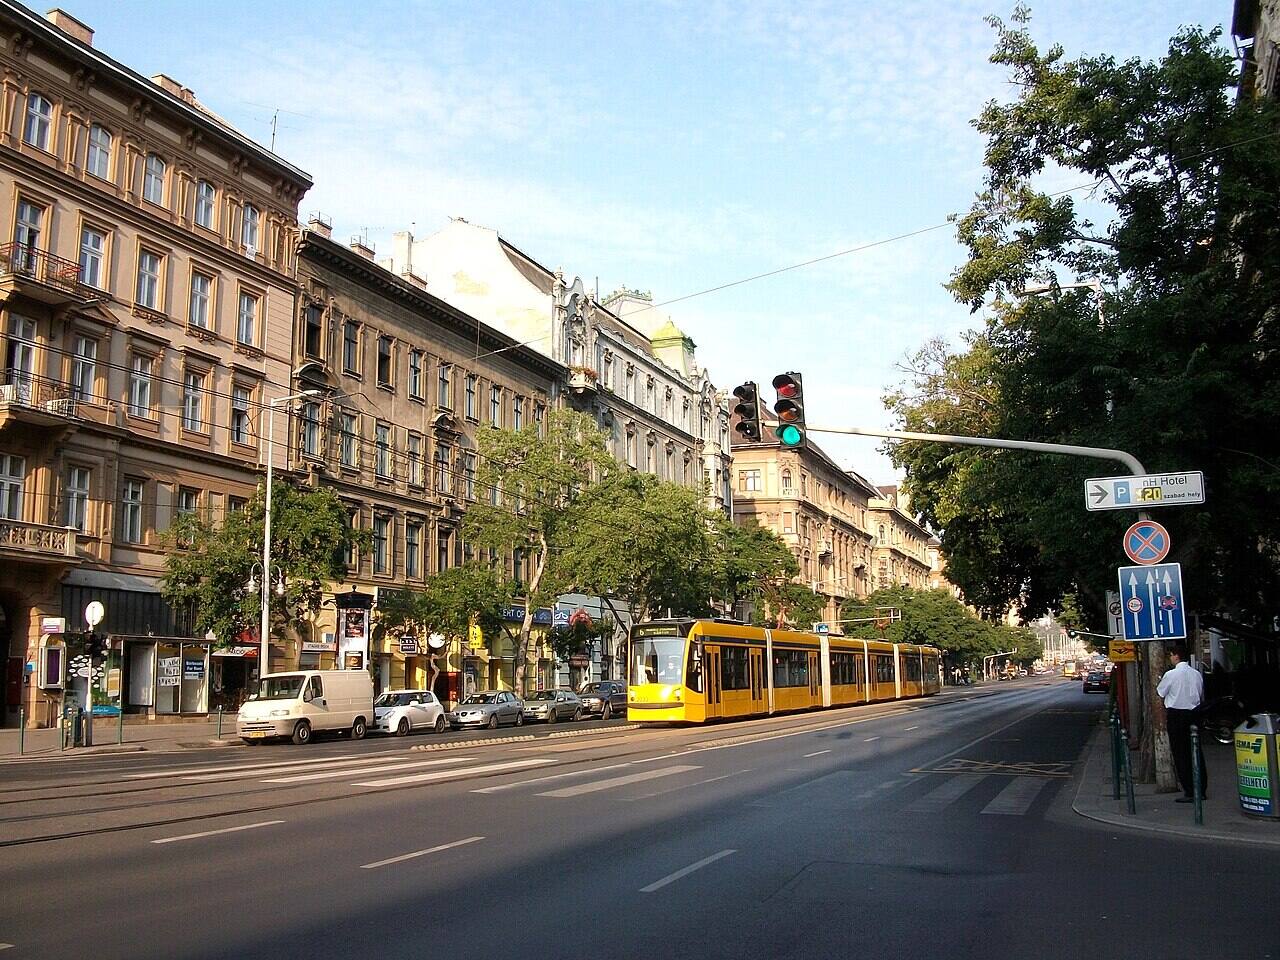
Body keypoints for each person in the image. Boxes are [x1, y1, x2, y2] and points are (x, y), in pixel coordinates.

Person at [1157, 643, 1206, 803]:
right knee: (1196, 751)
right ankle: (1201, 788)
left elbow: (1161, 692)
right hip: (1194, 713)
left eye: (1171, 655)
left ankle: (1190, 791)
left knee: (1181, 754)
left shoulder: (1171, 674)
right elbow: (1199, 692)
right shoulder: (1196, 674)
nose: (1170, 658)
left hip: (1177, 715)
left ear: (1176, 655)